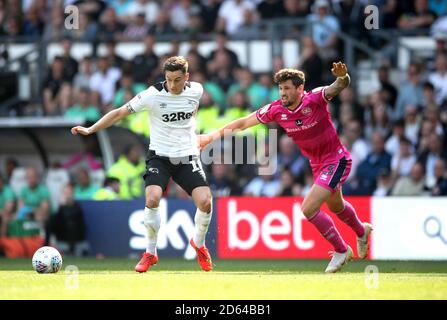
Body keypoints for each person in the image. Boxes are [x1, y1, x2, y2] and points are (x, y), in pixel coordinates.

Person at [199, 62, 373, 273]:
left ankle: (340, 250)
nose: (283, 92)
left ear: (300, 89)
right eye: (281, 88)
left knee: (308, 208)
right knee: (337, 206)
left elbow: (338, 86)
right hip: (317, 164)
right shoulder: (276, 109)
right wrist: (210, 137)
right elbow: (243, 123)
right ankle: (361, 230)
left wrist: (343, 76)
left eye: (287, 88)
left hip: (336, 160)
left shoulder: (315, 98)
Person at [71, 56, 213, 273]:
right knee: (153, 197)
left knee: (205, 202)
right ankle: (150, 252)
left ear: (187, 77)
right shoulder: (152, 95)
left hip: (187, 157)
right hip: (160, 156)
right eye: (168, 79)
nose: (172, 85)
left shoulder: (196, 91)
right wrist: (91, 129)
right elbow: (119, 113)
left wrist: (193, 136)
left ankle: (199, 244)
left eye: (177, 80)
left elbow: (191, 113)